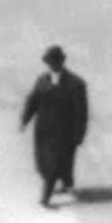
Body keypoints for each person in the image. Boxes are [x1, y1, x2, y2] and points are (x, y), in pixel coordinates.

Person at [19, 45, 89, 207]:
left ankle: (46, 197)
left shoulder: (76, 84)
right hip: (43, 131)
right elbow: (33, 101)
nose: (53, 65)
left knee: (53, 165)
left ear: (62, 62)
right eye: (50, 62)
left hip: (65, 133)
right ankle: (67, 183)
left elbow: (81, 113)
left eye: (56, 62)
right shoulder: (42, 80)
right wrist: (24, 120)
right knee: (49, 162)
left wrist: (79, 134)